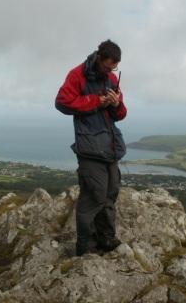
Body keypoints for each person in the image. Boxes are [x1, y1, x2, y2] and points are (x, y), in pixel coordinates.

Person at [55, 40, 127, 256]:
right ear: (98, 57)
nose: (110, 71)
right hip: (89, 148)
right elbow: (62, 102)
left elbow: (121, 115)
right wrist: (96, 101)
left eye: (114, 68)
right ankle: (85, 247)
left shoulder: (112, 78)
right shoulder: (78, 75)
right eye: (107, 67)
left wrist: (115, 103)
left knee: (110, 193)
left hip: (110, 147)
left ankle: (106, 238)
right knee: (93, 196)